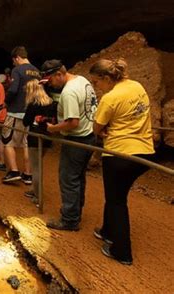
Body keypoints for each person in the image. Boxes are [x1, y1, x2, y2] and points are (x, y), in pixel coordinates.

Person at [89, 58, 155, 265]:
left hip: (120, 155)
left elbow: (96, 128)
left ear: (106, 78)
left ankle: (122, 252)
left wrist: (105, 128)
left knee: (117, 201)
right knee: (115, 195)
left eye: (96, 82)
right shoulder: (136, 86)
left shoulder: (110, 98)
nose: (95, 87)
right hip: (145, 153)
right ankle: (107, 231)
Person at [41, 59, 98, 231]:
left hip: (77, 139)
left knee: (68, 179)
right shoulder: (82, 80)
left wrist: (53, 128)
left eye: (50, 80)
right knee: (78, 177)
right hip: (89, 136)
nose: (49, 84)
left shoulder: (69, 92)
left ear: (59, 74)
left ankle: (70, 220)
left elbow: (73, 122)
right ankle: (75, 211)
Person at [1, 46, 40, 184]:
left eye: (14, 61)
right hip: (31, 114)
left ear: (17, 57)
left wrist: (5, 102)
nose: (14, 64)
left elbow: (13, 89)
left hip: (16, 112)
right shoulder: (37, 71)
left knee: (8, 142)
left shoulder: (17, 70)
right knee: (26, 144)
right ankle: (28, 175)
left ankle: (14, 172)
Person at [22, 79, 58, 205]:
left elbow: (25, 122)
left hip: (34, 138)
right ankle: (34, 189)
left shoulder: (33, 105)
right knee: (38, 164)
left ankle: (38, 197)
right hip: (47, 138)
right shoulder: (52, 103)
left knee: (35, 168)